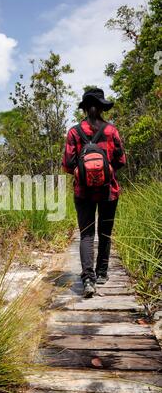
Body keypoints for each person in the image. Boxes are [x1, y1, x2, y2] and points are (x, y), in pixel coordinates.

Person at [62, 88, 126, 298]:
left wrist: (84, 171)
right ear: (101, 107)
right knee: (105, 232)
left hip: (83, 192)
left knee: (87, 234)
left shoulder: (74, 132)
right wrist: (104, 171)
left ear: (85, 107)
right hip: (109, 190)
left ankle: (88, 279)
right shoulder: (111, 131)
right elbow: (121, 161)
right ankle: (102, 273)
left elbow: (68, 164)